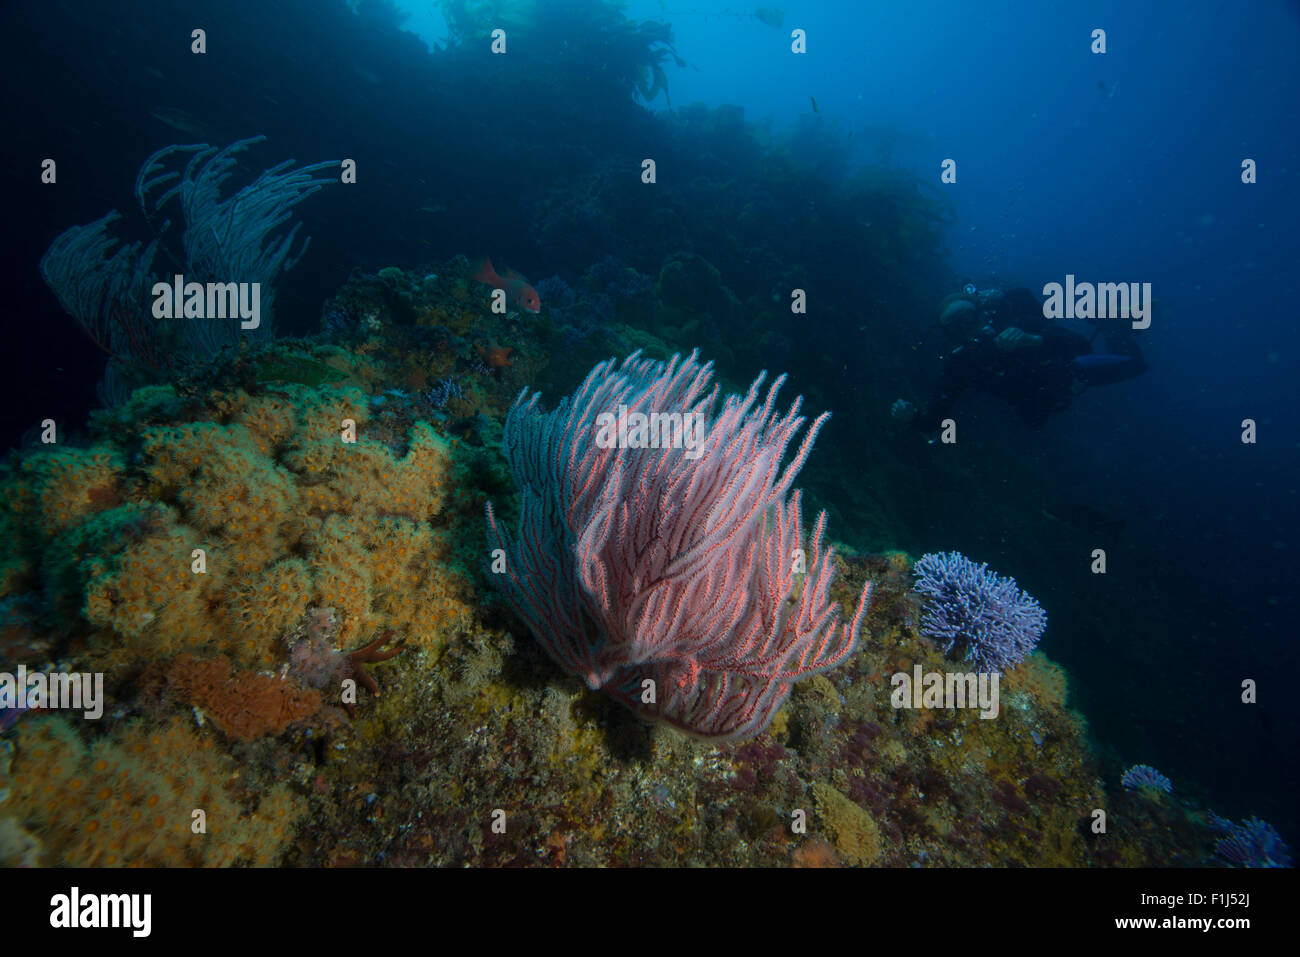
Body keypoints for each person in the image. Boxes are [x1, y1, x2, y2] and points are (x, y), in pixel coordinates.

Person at [892, 284, 1147, 431]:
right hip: (1036, 404)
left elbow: (1081, 346)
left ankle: (1114, 327)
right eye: (956, 326)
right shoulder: (961, 365)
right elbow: (933, 418)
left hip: (1071, 373)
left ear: (982, 313)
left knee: (1136, 366)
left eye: (970, 317)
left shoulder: (1020, 324)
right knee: (1033, 422)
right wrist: (910, 416)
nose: (969, 328)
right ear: (949, 335)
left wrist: (1033, 339)